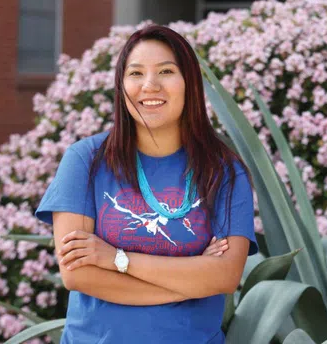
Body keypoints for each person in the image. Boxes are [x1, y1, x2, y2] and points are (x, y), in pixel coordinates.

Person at [35, 24, 258, 343]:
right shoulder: (86, 160)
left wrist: (115, 259)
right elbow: (77, 274)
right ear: (121, 86)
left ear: (189, 83)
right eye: (136, 74)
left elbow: (225, 276)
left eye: (166, 71)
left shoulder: (223, 171)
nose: (149, 86)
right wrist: (190, 281)